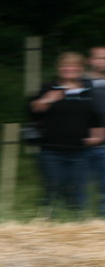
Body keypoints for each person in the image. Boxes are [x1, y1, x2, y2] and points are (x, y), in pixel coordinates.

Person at [30, 52, 104, 214]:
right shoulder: (49, 87)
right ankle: (47, 220)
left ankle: (76, 222)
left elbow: (96, 117)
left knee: (77, 191)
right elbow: (33, 110)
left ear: (81, 69)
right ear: (59, 68)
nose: (69, 69)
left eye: (74, 66)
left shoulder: (88, 90)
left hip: (80, 151)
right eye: (65, 66)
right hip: (51, 150)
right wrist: (47, 100)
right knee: (52, 188)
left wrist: (98, 137)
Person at [86, 46, 105, 216]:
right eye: (98, 58)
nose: (101, 62)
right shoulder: (80, 82)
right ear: (89, 61)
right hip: (82, 144)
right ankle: (79, 222)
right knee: (79, 187)